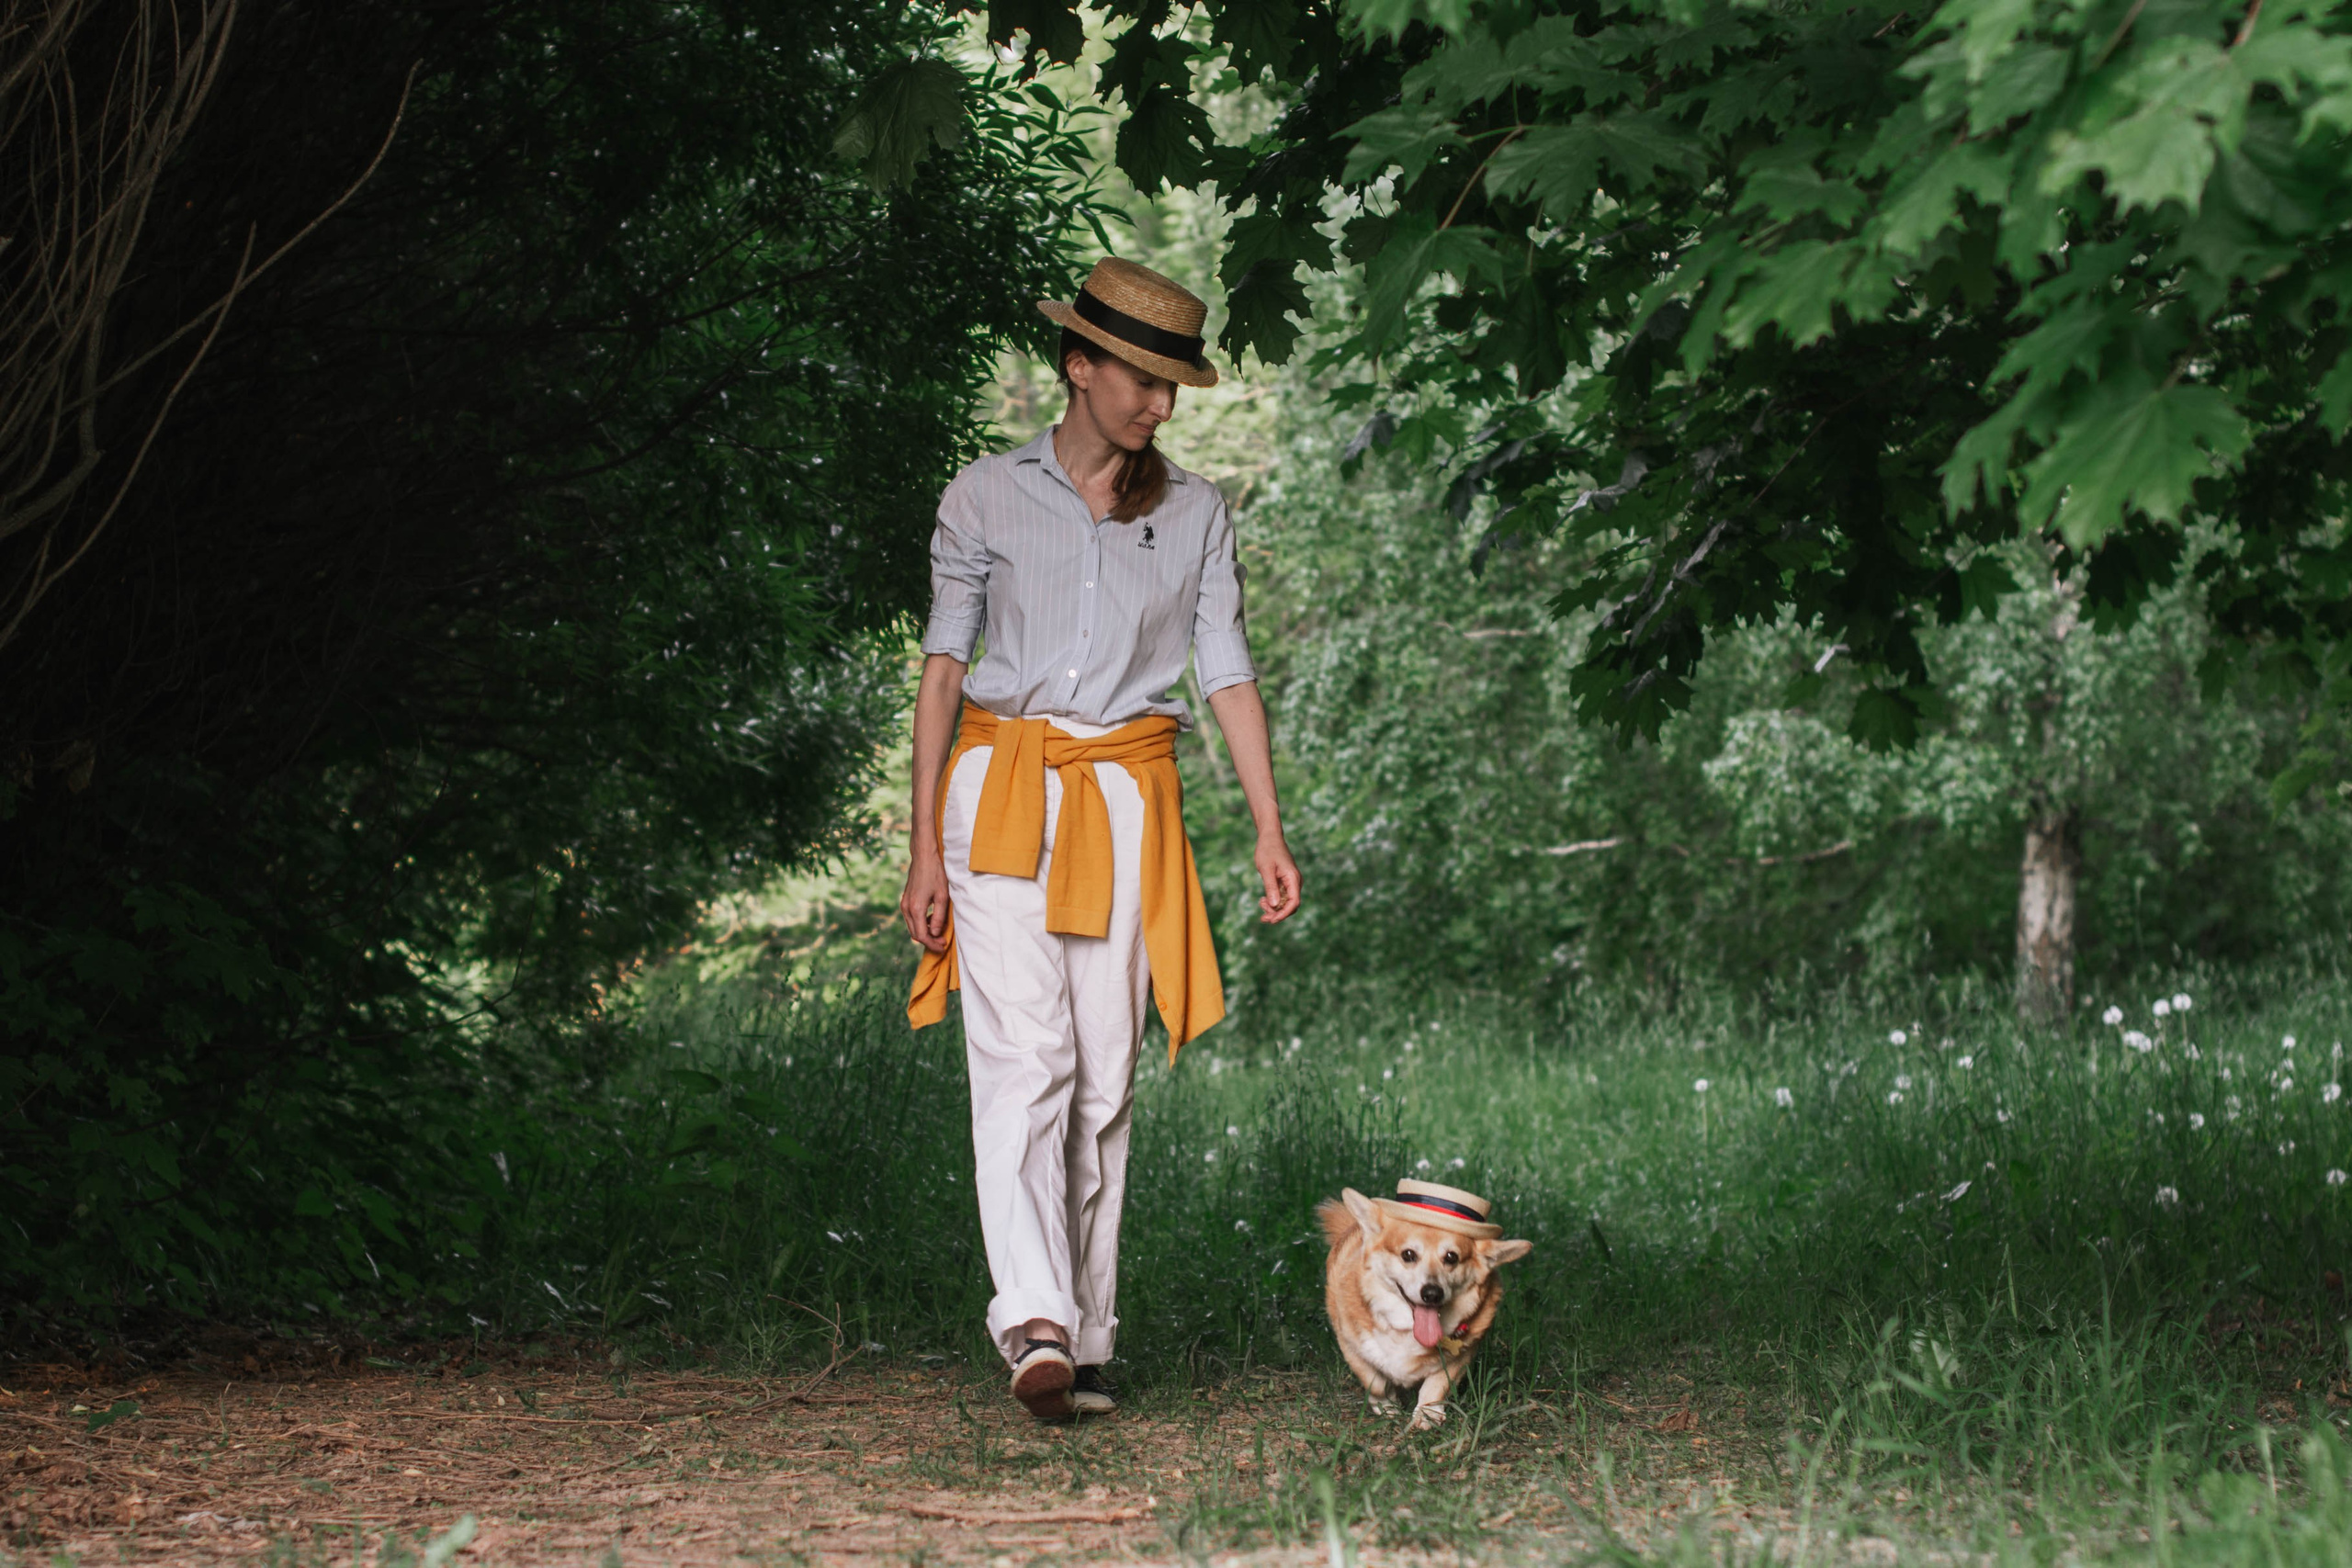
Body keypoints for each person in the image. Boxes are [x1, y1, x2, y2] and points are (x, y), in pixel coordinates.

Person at [900, 256, 1301, 1420]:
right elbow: (941, 670)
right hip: (1001, 790)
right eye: (1144, 378)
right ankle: (1032, 1320)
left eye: (1176, 386)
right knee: (1027, 1060)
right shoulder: (982, 496)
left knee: (1101, 1079)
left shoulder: (1195, 511)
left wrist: (1269, 828)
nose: (1161, 405)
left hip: (1126, 799)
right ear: (1080, 365)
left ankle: (1085, 1331)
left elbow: (1223, 672)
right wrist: (923, 843)